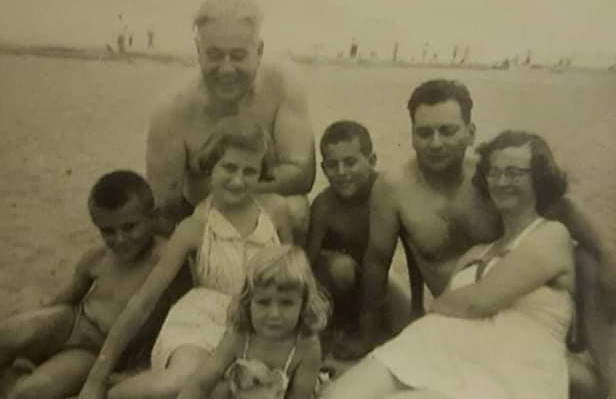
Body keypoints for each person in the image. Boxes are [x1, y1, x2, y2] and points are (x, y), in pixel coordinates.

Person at [346, 79, 615, 396]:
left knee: (588, 259)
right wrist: (367, 338)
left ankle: (610, 373)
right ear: (412, 135)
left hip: (523, 315)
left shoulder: (491, 178)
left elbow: (565, 206)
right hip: (457, 318)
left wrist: (609, 251)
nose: (435, 143)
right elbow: (377, 264)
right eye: (424, 132)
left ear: (470, 132)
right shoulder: (395, 188)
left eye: (448, 131)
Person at [322, 130, 576, 398]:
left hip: (507, 367)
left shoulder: (550, 235)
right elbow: (448, 310)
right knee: (337, 396)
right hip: (435, 348)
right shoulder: (478, 251)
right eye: (493, 172)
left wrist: (444, 305)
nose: (501, 181)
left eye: (514, 172)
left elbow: (479, 302)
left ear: (538, 177)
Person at [78, 117, 294, 399]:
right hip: (202, 321)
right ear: (210, 167)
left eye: (250, 171)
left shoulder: (276, 213)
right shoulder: (193, 228)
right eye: (228, 167)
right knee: (177, 385)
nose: (238, 180)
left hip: (260, 323)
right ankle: (114, 391)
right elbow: (143, 301)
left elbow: (296, 279)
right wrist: (97, 376)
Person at [0, 170, 176, 399]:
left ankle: (5, 371)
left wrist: (138, 370)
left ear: (152, 216)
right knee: (7, 334)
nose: (119, 239)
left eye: (129, 227)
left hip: (96, 351)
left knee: (30, 392)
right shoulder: (99, 256)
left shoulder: (166, 259)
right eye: (107, 231)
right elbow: (65, 299)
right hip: (72, 321)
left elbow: (177, 319)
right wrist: (28, 327)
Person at [145, 0, 315, 239]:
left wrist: (229, 186)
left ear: (259, 51)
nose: (226, 69)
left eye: (238, 55)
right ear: (198, 51)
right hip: (203, 222)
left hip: (266, 215)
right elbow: (164, 208)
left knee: (295, 210)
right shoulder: (172, 110)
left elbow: (302, 174)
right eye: (214, 55)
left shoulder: (283, 83)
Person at [306, 121, 410, 345]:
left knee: (405, 327)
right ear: (323, 169)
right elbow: (307, 264)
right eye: (333, 165)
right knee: (342, 269)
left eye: (351, 162)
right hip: (335, 280)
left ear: (371, 161)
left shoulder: (388, 191)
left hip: (375, 276)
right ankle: (339, 323)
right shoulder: (324, 205)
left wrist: (418, 306)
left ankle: (366, 321)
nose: (342, 172)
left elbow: (414, 251)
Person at [178, 245, 329, 399]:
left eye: (287, 303)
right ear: (248, 302)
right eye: (263, 302)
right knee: (218, 390)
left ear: (303, 304)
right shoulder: (239, 336)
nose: (274, 314)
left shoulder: (307, 346)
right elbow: (200, 383)